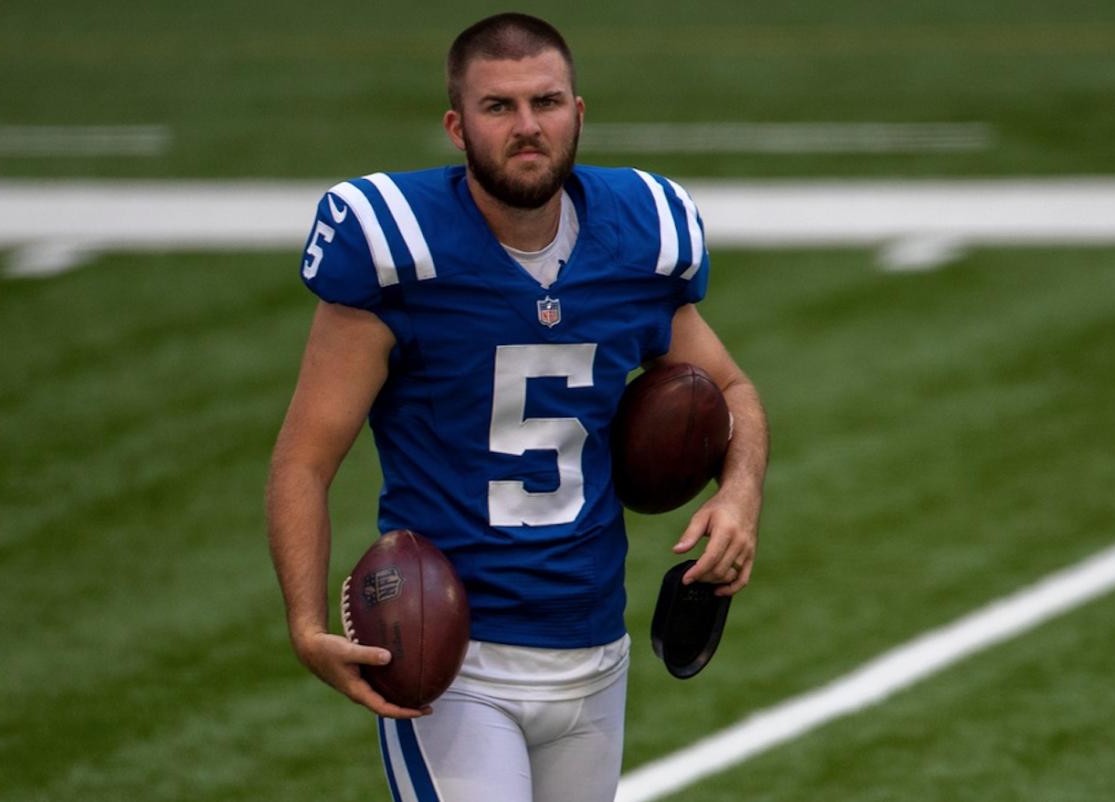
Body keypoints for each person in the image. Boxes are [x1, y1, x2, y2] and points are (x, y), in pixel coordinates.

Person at [266, 12, 768, 802]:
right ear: (456, 126)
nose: (527, 126)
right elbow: (304, 458)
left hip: (595, 649)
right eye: (499, 107)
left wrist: (739, 496)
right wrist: (304, 624)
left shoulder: (639, 234)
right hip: (453, 656)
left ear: (578, 111)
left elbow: (732, 389)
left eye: (547, 102)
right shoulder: (400, 250)